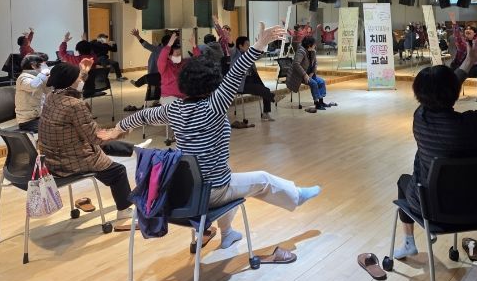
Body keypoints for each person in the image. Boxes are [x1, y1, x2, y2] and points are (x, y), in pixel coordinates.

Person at [106, 23, 321, 248]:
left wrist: (118, 128)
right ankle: (296, 195)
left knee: (232, 179)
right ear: (212, 83)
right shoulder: (214, 106)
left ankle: (227, 234)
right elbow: (236, 72)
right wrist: (259, 44)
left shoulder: (174, 109)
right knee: (261, 180)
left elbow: (143, 116)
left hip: (183, 191)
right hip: (212, 191)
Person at [393, 42, 477, 260]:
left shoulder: (420, 117)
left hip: (431, 207)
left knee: (403, 181)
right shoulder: (472, 124)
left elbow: (441, 90)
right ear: (455, 93)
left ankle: (409, 243)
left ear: (418, 94)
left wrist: (468, 61)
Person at [39, 61, 134, 227]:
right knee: (118, 171)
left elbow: (74, 89)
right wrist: (121, 130)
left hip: (51, 159)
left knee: (99, 147)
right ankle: (124, 211)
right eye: (78, 77)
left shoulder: (51, 97)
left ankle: (135, 150)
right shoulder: (75, 106)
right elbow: (95, 137)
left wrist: (83, 72)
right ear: (70, 81)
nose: (81, 80)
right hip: (71, 162)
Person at [232, 35, 277, 122]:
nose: (249, 47)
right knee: (263, 90)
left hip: (251, 79)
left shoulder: (248, 54)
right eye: (247, 45)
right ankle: (272, 97)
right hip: (242, 83)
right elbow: (231, 48)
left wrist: (261, 46)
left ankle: (266, 113)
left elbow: (257, 55)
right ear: (240, 46)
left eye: (249, 45)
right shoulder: (235, 55)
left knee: (265, 89)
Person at [286, 36, 331, 112]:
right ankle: (316, 103)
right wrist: (305, 75)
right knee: (314, 83)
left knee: (321, 82)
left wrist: (312, 72)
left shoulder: (312, 51)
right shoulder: (301, 51)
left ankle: (321, 101)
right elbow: (296, 64)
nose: (315, 45)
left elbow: (315, 63)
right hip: (300, 76)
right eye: (314, 44)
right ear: (309, 45)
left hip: (310, 74)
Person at [15, 53, 51, 132]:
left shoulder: (38, 77)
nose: (45, 66)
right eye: (42, 65)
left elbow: (49, 92)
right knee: (57, 128)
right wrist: (43, 74)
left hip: (40, 116)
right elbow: (33, 86)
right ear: (33, 65)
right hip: (27, 121)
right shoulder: (23, 78)